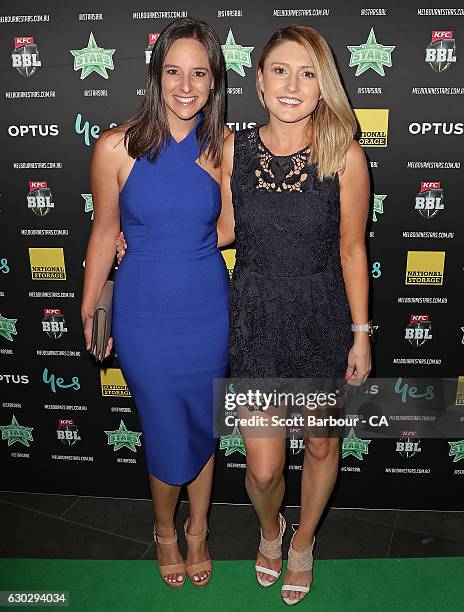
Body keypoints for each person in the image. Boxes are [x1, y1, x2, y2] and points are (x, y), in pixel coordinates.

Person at [218, 25, 371, 605]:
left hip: (321, 316)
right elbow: (225, 229)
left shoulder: (345, 155)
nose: (293, 84)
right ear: (258, 81)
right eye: (280, 69)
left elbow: (353, 249)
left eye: (309, 72)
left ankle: (302, 542)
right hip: (255, 315)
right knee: (261, 470)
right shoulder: (234, 149)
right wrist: (151, 240)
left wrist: (360, 335)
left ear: (323, 85)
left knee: (322, 445)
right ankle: (270, 530)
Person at [81, 17, 231, 589]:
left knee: (203, 423)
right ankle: (164, 531)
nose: (185, 85)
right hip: (143, 310)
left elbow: (229, 226)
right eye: (173, 71)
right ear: (156, 76)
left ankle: (198, 531)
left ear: (215, 81)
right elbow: (102, 232)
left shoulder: (225, 148)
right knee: (167, 425)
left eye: (199, 73)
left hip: (208, 308)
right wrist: (89, 306)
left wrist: (177, 239)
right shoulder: (115, 147)